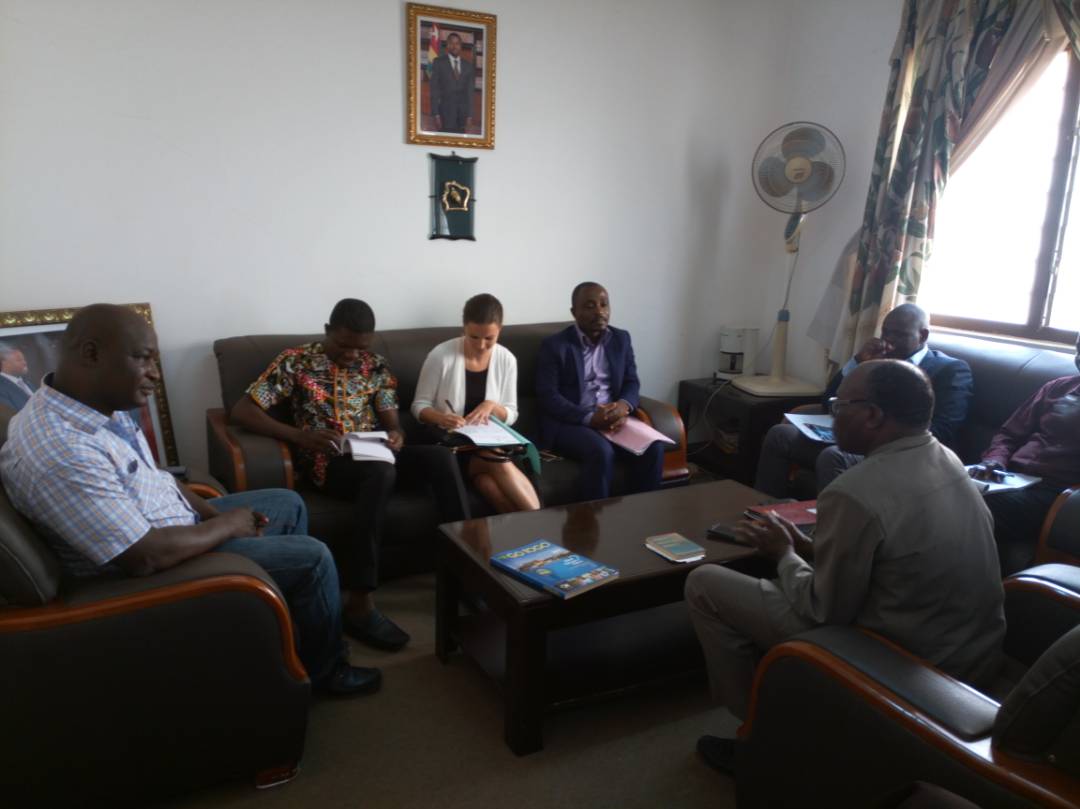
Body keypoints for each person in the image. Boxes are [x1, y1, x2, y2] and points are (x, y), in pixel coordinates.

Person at [0, 304, 379, 696]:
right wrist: (226, 526)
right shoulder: (62, 449)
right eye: (143, 359)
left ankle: (281, 636)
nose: (154, 373)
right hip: (153, 573)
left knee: (287, 502)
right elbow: (144, 557)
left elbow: (156, 478)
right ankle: (326, 672)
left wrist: (213, 514)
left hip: (170, 529)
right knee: (313, 558)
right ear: (91, 354)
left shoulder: (93, 408)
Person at [687, 360, 1004, 775]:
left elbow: (823, 610)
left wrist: (784, 555)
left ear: (872, 415)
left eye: (840, 406)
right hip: (971, 654)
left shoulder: (855, 491)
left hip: (899, 659)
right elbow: (891, 560)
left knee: (704, 583)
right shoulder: (949, 460)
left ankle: (763, 737)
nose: (833, 414)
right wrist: (806, 547)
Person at [231, 298, 465, 652]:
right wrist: (300, 436)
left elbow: (390, 417)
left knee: (441, 459)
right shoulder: (296, 361)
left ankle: (465, 572)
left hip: (375, 453)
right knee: (381, 474)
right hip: (327, 462)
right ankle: (359, 601)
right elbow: (242, 410)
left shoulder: (376, 365)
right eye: (344, 345)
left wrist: (396, 433)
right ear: (327, 331)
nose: (353, 355)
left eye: (361, 348)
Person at [754, 303, 973, 497]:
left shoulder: (950, 370)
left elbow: (944, 428)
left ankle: (831, 526)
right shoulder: (877, 362)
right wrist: (859, 362)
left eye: (898, 334)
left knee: (834, 456)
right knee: (780, 434)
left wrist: (873, 438)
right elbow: (829, 400)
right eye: (885, 332)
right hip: (851, 438)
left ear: (922, 336)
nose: (889, 341)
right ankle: (762, 511)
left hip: (898, 453)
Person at [412, 294, 540, 513]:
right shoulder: (441, 356)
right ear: (464, 328)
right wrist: (441, 417)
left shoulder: (507, 359)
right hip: (450, 446)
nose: (481, 345)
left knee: (486, 483)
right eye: (474, 337)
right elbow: (418, 406)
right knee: (495, 459)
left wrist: (492, 406)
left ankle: (526, 531)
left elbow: (511, 413)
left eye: (489, 338)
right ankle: (540, 522)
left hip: (489, 442)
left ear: (500, 329)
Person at [535, 282, 664, 501]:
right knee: (601, 452)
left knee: (653, 447)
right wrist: (589, 418)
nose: (600, 312)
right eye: (590, 306)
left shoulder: (621, 339)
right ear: (574, 312)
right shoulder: (555, 346)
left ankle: (642, 513)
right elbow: (548, 396)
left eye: (604, 304)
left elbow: (631, 382)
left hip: (614, 417)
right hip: (572, 422)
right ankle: (594, 519)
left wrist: (623, 407)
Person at [969, 333, 1080, 575]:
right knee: (940, 486)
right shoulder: (1057, 387)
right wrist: (994, 460)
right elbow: (1009, 433)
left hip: (1055, 492)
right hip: (1008, 476)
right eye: (1079, 349)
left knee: (972, 505)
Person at [429, 32, 475, 134]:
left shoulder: (468, 66)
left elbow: (470, 93)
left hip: (462, 116)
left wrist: (469, 116)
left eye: (457, 43)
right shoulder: (438, 62)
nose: (454, 46)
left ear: (461, 46)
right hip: (444, 115)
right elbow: (434, 90)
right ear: (447, 45)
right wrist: (435, 114)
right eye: (451, 43)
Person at [0, 344, 37, 412]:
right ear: (5, 363)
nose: (25, 363)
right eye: (19, 360)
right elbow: (9, 415)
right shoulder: (1, 387)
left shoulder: (27, 383)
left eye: (24, 359)